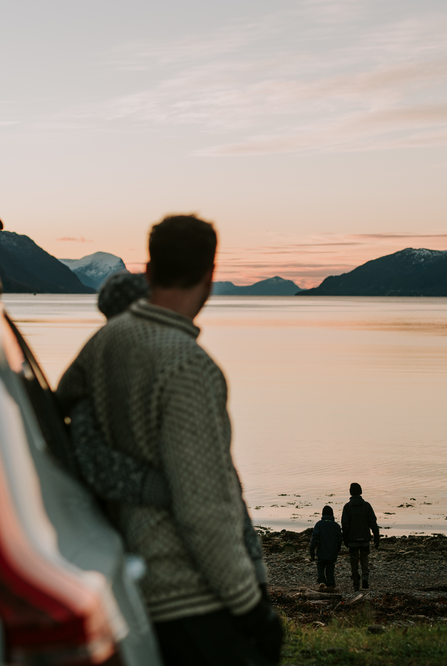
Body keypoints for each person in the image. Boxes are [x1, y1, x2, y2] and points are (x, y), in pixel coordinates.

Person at [57, 215, 283, 666]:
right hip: (192, 595)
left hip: (135, 584)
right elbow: (204, 509)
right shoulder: (188, 367)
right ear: (208, 275)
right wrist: (252, 608)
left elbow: (63, 404)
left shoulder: (105, 341)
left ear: (150, 267)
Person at [59, 270, 269, 589]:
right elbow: (96, 466)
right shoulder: (94, 388)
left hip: (191, 559)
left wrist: (255, 566)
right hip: (141, 563)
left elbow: (224, 481)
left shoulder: (178, 378)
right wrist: (181, 488)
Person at [341, 482, 380, 592]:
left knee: (353, 560)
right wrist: (376, 536)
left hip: (352, 539)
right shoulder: (366, 506)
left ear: (350, 492)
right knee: (364, 558)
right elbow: (372, 522)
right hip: (365, 538)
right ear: (361, 491)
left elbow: (345, 525)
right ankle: (365, 577)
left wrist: (345, 538)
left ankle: (355, 583)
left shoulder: (347, 507)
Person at [308, 506, 342, 590]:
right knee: (330, 567)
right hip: (332, 551)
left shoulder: (319, 524)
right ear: (332, 514)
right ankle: (330, 583)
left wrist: (312, 548)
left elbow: (315, 537)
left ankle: (322, 581)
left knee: (320, 565)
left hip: (321, 551)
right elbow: (340, 539)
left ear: (322, 514)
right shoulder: (336, 526)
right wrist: (337, 549)